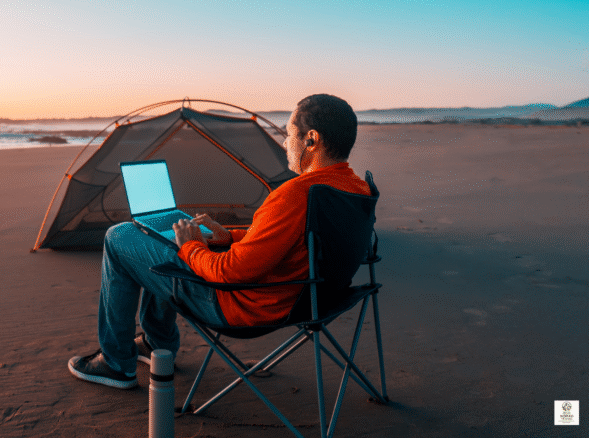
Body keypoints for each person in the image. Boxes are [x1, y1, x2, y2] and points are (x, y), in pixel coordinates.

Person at [67, 94, 374, 389]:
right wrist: (228, 237)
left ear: (311, 139)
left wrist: (190, 247)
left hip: (245, 306)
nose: (283, 142)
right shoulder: (356, 190)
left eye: (288, 133)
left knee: (120, 236)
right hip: (311, 300)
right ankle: (155, 343)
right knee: (171, 240)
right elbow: (297, 242)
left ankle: (117, 363)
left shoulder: (296, 194)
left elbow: (232, 272)